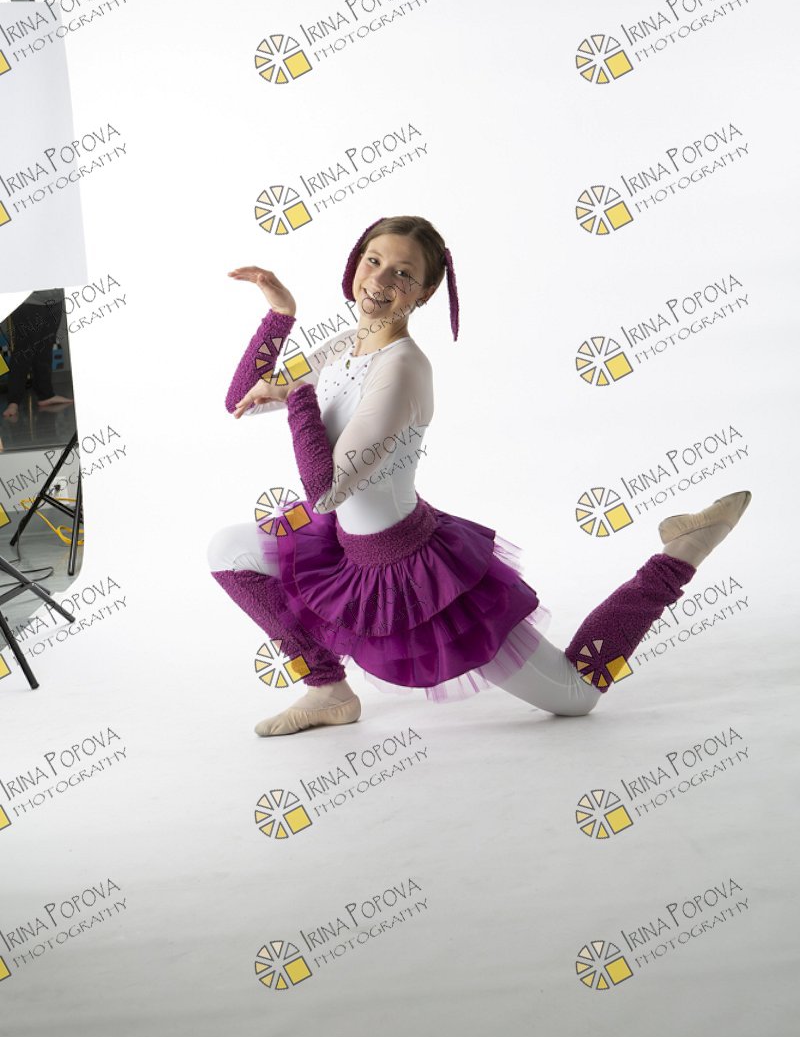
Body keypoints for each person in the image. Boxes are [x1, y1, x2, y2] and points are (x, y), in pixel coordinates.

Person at [206, 215, 751, 737]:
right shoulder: (343, 346)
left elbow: (325, 489)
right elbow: (241, 400)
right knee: (227, 551)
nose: (380, 279)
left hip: (415, 573)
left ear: (424, 293)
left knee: (577, 693)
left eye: (403, 273)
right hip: (344, 547)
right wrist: (281, 315)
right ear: (354, 264)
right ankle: (329, 690)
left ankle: (680, 553)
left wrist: (298, 393)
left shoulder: (402, 367)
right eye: (373, 260)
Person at [2, 290, 72, 419]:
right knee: (24, 350)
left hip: (55, 298)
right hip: (27, 299)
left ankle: (46, 395)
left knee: (46, 347)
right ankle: (13, 401)